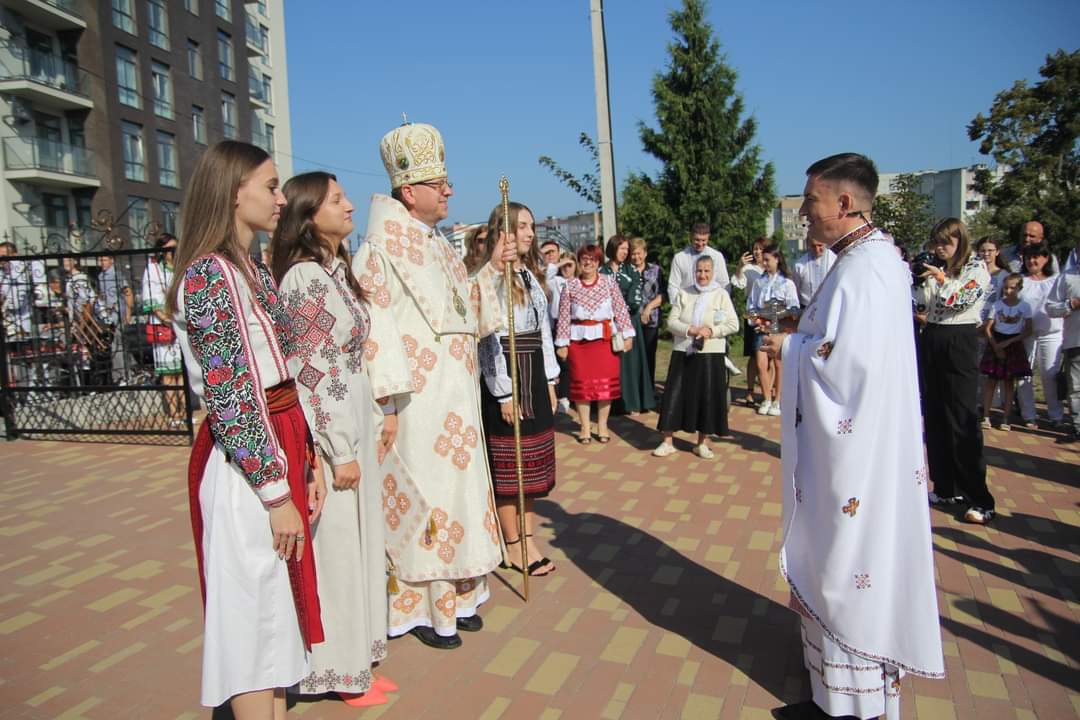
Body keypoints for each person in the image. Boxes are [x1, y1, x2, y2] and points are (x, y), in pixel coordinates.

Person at [762, 152, 943, 720]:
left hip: (858, 452)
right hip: (856, 443)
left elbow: (846, 365)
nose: (804, 215)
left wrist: (787, 349)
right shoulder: (863, 259)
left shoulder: (867, 268)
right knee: (837, 558)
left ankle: (851, 707)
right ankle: (830, 695)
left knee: (848, 562)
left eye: (811, 202)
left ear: (843, 202)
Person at [165, 140, 326, 717]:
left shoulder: (249, 268)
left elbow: (281, 371)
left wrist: (306, 461)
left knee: (278, 624)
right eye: (270, 186)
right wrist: (276, 491)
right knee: (255, 625)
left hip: (278, 447)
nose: (281, 199)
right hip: (247, 466)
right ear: (234, 193)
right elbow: (233, 395)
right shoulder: (210, 274)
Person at [352, 120, 503, 651]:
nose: (450, 191)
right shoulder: (378, 249)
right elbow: (374, 327)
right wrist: (388, 401)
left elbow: (464, 312)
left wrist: (491, 273)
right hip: (416, 406)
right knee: (428, 504)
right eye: (441, 184)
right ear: (409, 191)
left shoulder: (437, 243)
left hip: (455, 400)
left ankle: (461, 598)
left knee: (458, 499)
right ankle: (422, 611)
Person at [272, 172, 400, 707]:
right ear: (308, 216)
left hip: (354, 418)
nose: (349, 205)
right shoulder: (302, 279)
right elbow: (312, 370)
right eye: (337, 199)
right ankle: (336, 669)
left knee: (360, 544)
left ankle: (358, 660)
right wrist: (337, 448)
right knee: (337, 552)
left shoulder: (333, 272)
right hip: (331, 435)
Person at [473, 202, 558, 577]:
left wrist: (552, 379)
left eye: (532, 226)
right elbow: (488, 336)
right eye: (521, 226)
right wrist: (503, 391)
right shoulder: (490, 277)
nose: (529, 233)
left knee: (533, 463)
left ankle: (528, 535)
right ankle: (511, 543)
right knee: (511, 464)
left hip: (534, 370)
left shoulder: (528, 273)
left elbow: (543, 332)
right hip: (507, 371)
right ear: (503, 231)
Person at [914, 217, 994, 524]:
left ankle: (980, 499)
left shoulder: (976, 268)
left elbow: (960, 299)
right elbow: (922, 304)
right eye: (936, 242)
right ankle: (944, 487)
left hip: (959, 339)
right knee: (935, 415)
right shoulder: (936, 267)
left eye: (946, 242)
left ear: (960, 241)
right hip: (932, 337)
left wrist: (941, 278)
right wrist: (921, 280)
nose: (940, 248)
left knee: (962, 419)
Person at [652, 255, 738, 459]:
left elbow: (733, 324)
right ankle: (667, 441)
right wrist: (689, 329)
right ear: (694, 272)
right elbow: (671, 322)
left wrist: (712, 331)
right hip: (684, 351)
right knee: (674, 395)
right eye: (699, 270)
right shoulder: (684, 293)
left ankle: (702, 443)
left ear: (713, 272)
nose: (703, 275)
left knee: (706, 398)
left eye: (707, 271)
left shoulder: (721, 295)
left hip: (711, 354)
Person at [554, 244, 635, 443]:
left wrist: (628, 335)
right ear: (579, 261)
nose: (588, 262)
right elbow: (563, 316)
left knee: (605, 386)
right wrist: (562, 343)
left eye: (593, 259)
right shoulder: (570, 285)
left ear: (598, 262)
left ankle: (602, 425)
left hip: (604, 342)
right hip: (578, 343)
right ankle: (584, 428)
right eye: (584, 258)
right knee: (581, 387)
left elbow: (620, 309)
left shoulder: (608, 283)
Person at [601, 235, 656, 415]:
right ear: (613, 248)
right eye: (621, 248)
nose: (625, 252)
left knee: (631, 362)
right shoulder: (603, 271)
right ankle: (613, 404)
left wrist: (621, 309)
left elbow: (635, 296)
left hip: (629, 321)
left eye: (627, 249)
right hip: (608, 321)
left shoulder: (631, 270)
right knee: (612, 363)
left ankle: (633, 402)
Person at [1016, 243, 1065, 428]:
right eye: (1028, 257)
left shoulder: (1056, 280)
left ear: (1046, 259)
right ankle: (1028, 414)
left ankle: (1056, 415)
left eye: (1036, 257)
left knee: (1049, 375)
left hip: (1051, 333)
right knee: (1023, 375)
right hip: (1025, 335)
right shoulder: (1020, 281)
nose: (1032, 261)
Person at [747, 244, 798, 416]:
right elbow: (751, 306)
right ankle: (766, 398)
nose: (765, 263)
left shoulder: (787, 283)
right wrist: (757, 321)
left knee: (778, 363)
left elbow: (793, 308)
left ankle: (777, 400)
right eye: (763, 260)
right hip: (761, 327)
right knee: (761, 364)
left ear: (777, 259)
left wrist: (776, 321)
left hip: (778, 328)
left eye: (768, 259)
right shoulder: (759, 283)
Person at [979, 273, 1032, 430]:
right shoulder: (997, 305)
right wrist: (996, 346)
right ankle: (986, 416)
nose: (1008, 291)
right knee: (991, 381)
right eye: (1006, 288)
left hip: (1013, 343)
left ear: (1019, 289)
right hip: (996, 340)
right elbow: (988, 328)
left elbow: (1028, 330)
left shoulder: (1024, 306)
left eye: (1012, 288)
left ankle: (1006, 418)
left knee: (1009, 383)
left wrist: (1008, 343)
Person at [143, 234, 184, 425]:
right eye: (169, 249)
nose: (173, 253)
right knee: (168, 374)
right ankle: (173, 414)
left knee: (180, 372)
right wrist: (164, 318)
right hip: (163, 325)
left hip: (178, 323)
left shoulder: (179, 269)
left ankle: (184, 412)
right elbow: (151, 297)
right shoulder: (153, 269)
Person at [1046, 234, 1080, 441]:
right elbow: (1051, 307)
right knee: (1076, 388)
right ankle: (1078, 426)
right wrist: (1071, 305)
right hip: (1075, 341)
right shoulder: (1067, 277)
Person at [731, 238, 766, 405]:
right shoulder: (748, 269)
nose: (757, 252)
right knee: (754, 355)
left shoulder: (773, 267)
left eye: (760, 249)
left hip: (770, 316)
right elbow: (738, 283)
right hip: (752, 315)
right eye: (755, 249)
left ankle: (770, 391)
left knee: (771, 357)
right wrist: (739, 267)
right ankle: (750, 391)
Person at [629, 237, 664, 389]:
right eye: (633, 254)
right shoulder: (627, 272)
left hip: (651, 320)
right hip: (632, 321)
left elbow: (662, 294)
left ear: (645, 253)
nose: (636, 257)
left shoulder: (655, 270)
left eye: (639, 253)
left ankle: (649, 390)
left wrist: (649, 308)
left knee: (649, 356)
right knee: (634, 359)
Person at [96, 254, 134, 383]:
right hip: (108, 316)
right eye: (100, 260)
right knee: (116, 345)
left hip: (119, 314)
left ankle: (123, 375)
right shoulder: (101, 276)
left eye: (104, 259)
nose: (102, 262)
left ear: (111, 260)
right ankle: (129, 371)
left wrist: (128, 313)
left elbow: (127, 293)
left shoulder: (117, 275)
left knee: (118, 346)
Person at [548, 251, 577, 413]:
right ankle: (562, 397)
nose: (567, 268)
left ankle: (573, 394)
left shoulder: (578, 282)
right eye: (564, 265)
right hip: (558, 324)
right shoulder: (555, 282)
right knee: (561, 362)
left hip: (575, 325)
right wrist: (560, 263)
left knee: (574, 362)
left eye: (570, 265)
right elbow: (544, 274)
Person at [667, 222, 730, 297]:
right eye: (697, 240)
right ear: (691, 237)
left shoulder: (717, 257)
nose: (700, 244)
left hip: (711, 304)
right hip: (687, 303)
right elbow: (673, 286)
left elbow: (724, 284)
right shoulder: (679, 258)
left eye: (703, 240)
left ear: (708, 238)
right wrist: (678, 306)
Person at [791, 238, 836, 308]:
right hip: (806, 308)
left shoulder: (835, 260)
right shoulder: (799, 265)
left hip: (829, 306)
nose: (817, 249)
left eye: (819, 245)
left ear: (825, 243)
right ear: (808, 245)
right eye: (813, 246)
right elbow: (795, 290)